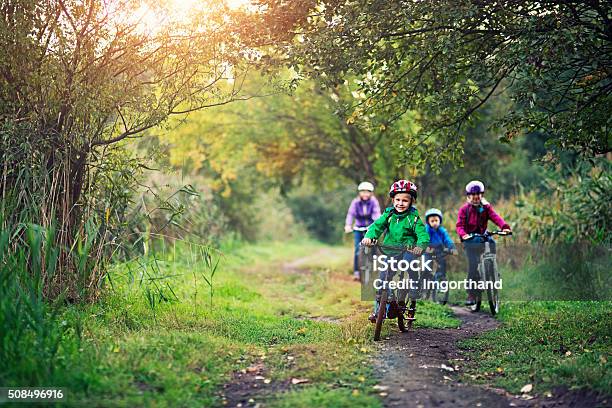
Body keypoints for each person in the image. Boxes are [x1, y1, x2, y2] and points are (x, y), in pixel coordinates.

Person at [361, 180, 430, 322]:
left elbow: (423, 234)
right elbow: (377, 226)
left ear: (411, 202)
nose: (400, 203)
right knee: (382, 280)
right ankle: (377, 311)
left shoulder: (413, 218)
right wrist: (369, 237)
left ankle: (413, 289)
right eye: (397, 199)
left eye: (405, 200)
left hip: (408, 250)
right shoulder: (389, 214)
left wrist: (420, 246)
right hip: (390, 250)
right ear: (393, 200)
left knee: (408, 264)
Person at [456, 180, 512, 306]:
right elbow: (459, 225)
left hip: (483, 235)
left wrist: (504, 226)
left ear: (482, 195)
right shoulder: (464, 209)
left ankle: (492, 268)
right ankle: (471, 294)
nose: (476, 197)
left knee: (492, 242)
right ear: (468, 196)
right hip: (470, 239)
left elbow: (495, 217)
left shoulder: (486, 207)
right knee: (473, 265)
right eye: (473, 195)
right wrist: (463, 234)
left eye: (478, 195)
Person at [344, 181, 381, 281]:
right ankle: (356, 272)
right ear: (359, 193)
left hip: (370, 228)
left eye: (367, 192)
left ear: (371, 193)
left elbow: (377, 214)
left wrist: (377, 225)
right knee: (357, 250)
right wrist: (348, 225)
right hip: (358, 228)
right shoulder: (355, 202)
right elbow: (350, 214)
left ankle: (375, 270)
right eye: (363, 192)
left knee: (374, 248)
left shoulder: (374, 202)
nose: (365, 194)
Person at [424, 208, 458, 287]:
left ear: (440, 221)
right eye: (432, 221)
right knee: (426, 267)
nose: (434, 223)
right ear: (428, 222)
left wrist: (452, 248)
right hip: (428, 251)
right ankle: (424, 283)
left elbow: (447, 240)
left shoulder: (442, 231)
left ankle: (440, 278)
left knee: (442, 266)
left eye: (436, 220)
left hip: (439, 250)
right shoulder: (427, 230)